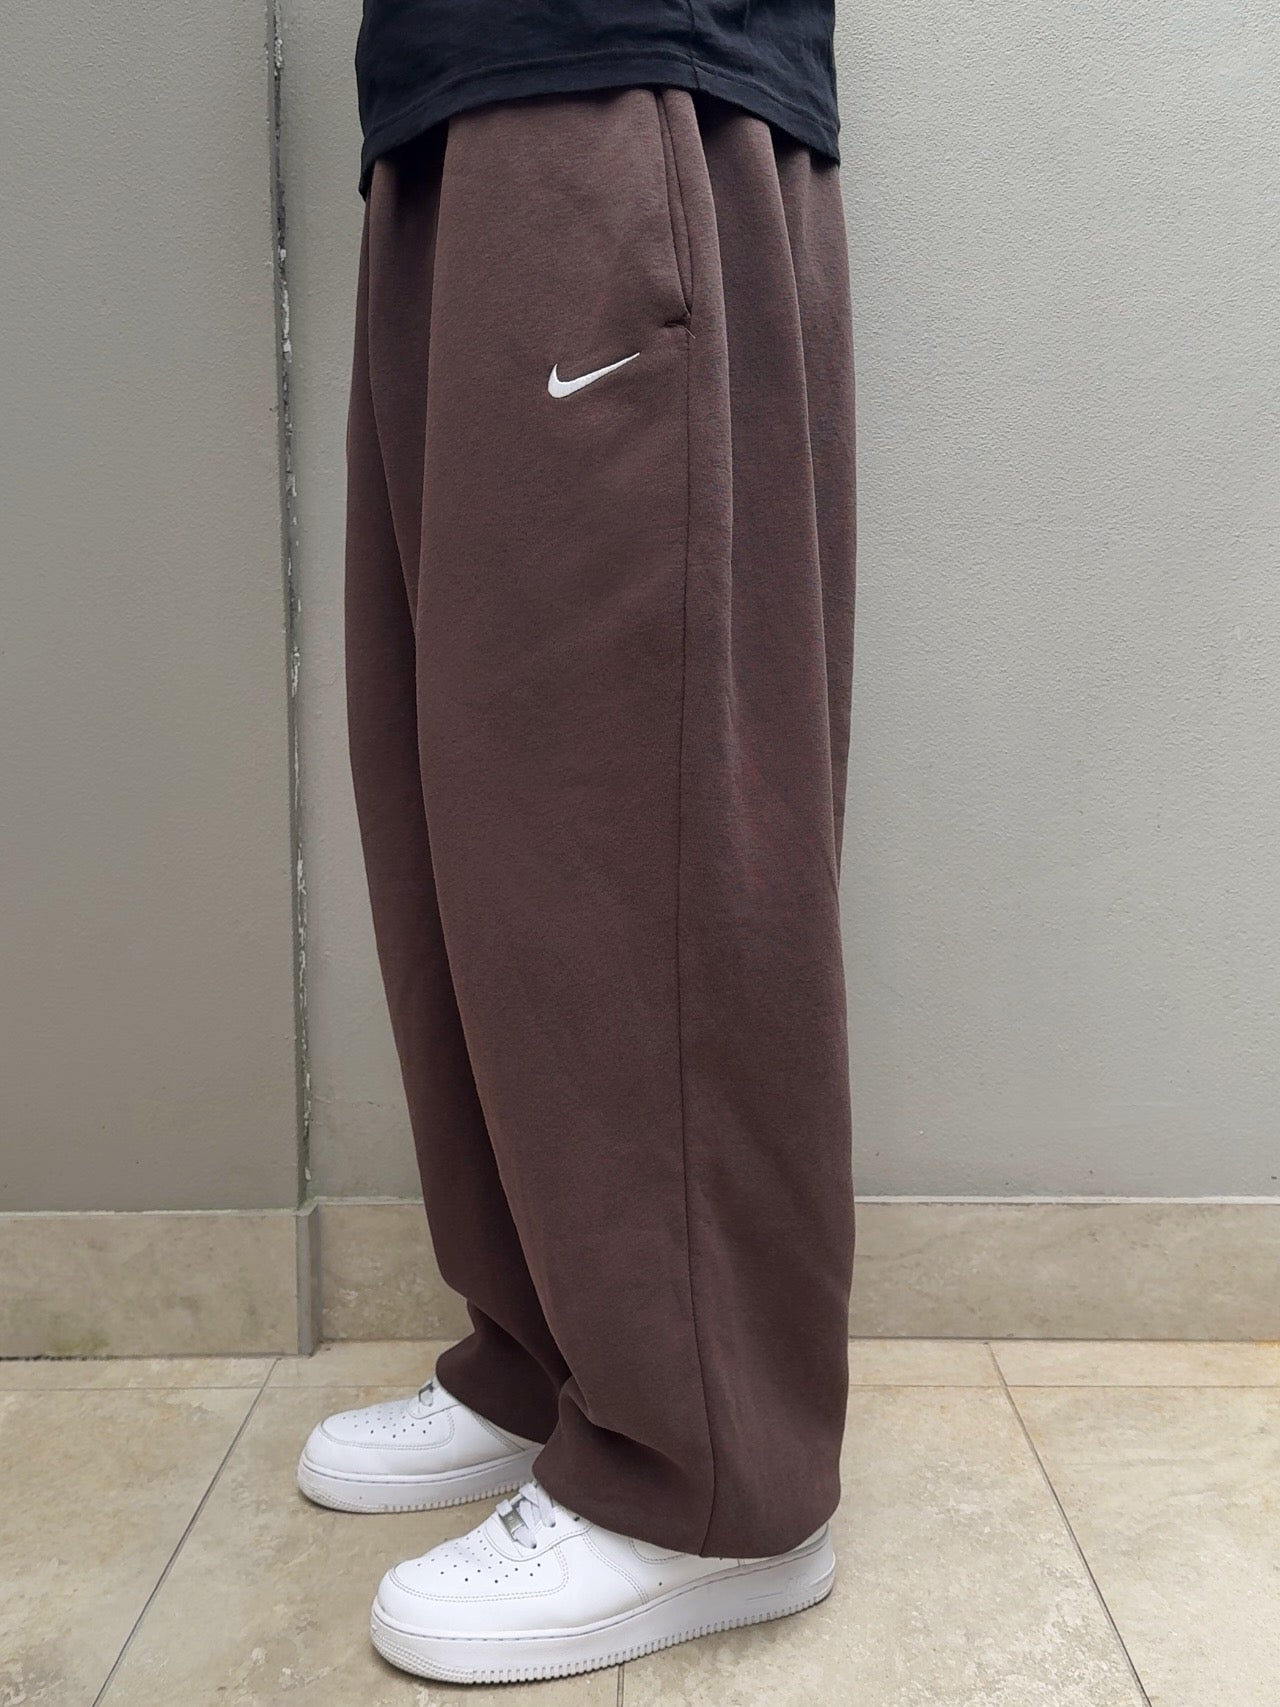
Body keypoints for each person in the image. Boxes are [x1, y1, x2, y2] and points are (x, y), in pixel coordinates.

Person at [296, 0, 857, 1684]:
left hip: (624, 73)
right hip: (449, 102)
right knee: (475, 810)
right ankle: (555, 1361)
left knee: (628, 820)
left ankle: (712, 1474)